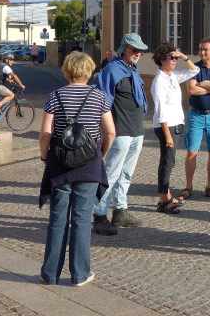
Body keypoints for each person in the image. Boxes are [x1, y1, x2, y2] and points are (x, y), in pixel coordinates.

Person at [38, 52, 116, 286]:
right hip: (89, 163)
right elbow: (110, 131)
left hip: (60, 163)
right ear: (89, 71)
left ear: (66, 70)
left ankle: (50, 273)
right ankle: (80, 274)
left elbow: (45, 133)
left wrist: (45, 157)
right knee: (82, 220)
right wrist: (100, 154)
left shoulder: (55, 96)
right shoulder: (99, 96)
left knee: (57, 218)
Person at [92, 33, 149, 234]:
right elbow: (103, 100)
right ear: (124, 49)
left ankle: (120, 211)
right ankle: (99, 216)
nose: (138, 53)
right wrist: (106, 130)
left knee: (126, 174)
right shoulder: (112, 70)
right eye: (135, 50)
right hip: (120, 131)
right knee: (111, 174)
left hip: (136, 130)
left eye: (141, 50)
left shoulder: (133, 69)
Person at [151, 43, 199, 214]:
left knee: (169, 163)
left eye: (175, 57)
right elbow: (160, 110)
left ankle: (167, 196)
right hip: (167, 127)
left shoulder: (172, 76)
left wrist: (184, 56)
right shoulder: (159, 81)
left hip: (176, 125)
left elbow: (195, 71)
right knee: (166, 163)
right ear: (162, 60)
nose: (174, 60)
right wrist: (167, 135)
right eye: (171, 58)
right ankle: (164, 201)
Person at [183, 37, 210, 201]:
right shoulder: (194, 68)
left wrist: (202, 84)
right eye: (200, 49)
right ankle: (188, 186)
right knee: (191, 152)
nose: (202, 52)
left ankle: (209, 186)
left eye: (205, 49)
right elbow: (192, 91)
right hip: (196, 114)